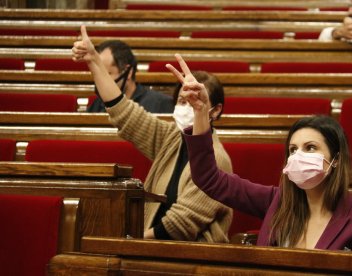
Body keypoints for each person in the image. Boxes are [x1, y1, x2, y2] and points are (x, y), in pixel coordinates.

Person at [166, 54, 352, 252]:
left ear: (336, 160)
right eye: (293, 149)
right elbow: (208, 178)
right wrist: (201, 113)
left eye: (310, 147)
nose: (299, 156)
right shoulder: (277, 202)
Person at [73, 26, 233, 242]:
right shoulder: (172, 137)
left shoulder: (218, 159)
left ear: (216, 110)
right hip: (153, 248)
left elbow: (180, 226)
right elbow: (124, 113)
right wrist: (93, 61)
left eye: (196, 102)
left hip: (192, 257)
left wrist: (129, 241)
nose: (187, 107)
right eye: (182, 101)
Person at [87, 39, 174, 113]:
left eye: (107, 74)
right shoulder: (97, 104)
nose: (101, 82)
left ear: (128, 72)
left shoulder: (160, 104)